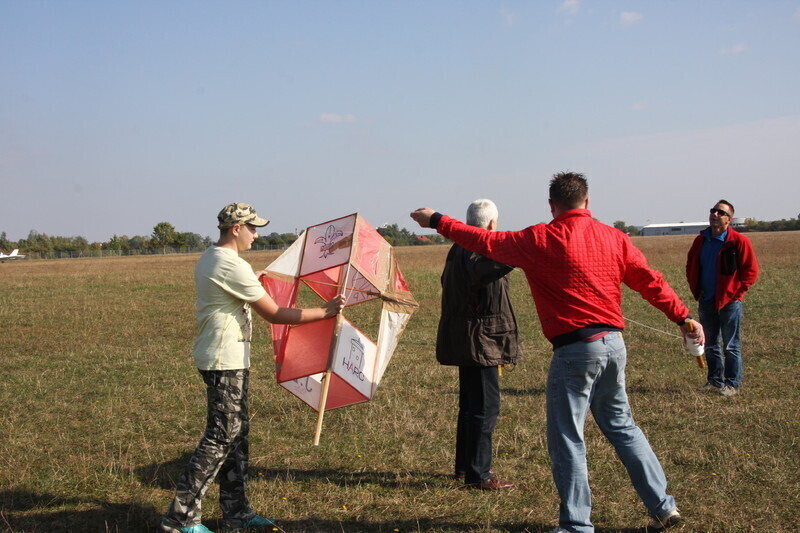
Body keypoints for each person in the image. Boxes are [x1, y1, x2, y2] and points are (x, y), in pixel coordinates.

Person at [410, 172, 704, 533]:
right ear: (587, 201)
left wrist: (437, 220)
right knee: (623, 427)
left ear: (552, 205)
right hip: (614, 346)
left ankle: (576, 525)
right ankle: (663, 507)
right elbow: (649, 280)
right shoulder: (614, 237)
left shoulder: (539, 238)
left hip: (576, 351)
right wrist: (683, 316)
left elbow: (481, 239)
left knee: (568, 436)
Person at [160, 203, 345, 533]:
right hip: (223, 361)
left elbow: (242, 292)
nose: (256, 235)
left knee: (236, 437)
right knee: (220, 437)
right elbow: (274, 314)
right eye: (252, 228)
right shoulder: (230, 264)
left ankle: (237, 512)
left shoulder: (212, 257)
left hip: (227, 360)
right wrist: (325, 312)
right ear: (236, 229)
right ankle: (180, 519)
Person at [437, 199, 522, 490]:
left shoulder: (457, 248)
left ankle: (464, 468)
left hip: (467, 337)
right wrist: (519, 251)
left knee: (471, 406)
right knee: (485, 407)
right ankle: (479, 474)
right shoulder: (477, 249)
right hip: (482, 341)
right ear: (491, 224)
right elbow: (487, 270)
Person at [686, 200, 758, 397]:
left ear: (729, 219)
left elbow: (751, 271)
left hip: (730, 302)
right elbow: (691, 264)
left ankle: (732, 383)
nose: (715, 214)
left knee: (730, 345)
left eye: (721, 212)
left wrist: (737, 293)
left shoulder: (738, 241)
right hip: (706, 299)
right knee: (709, 343)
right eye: (713, 211)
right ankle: (715, 380)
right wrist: (696, 289)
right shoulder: (700, 240)